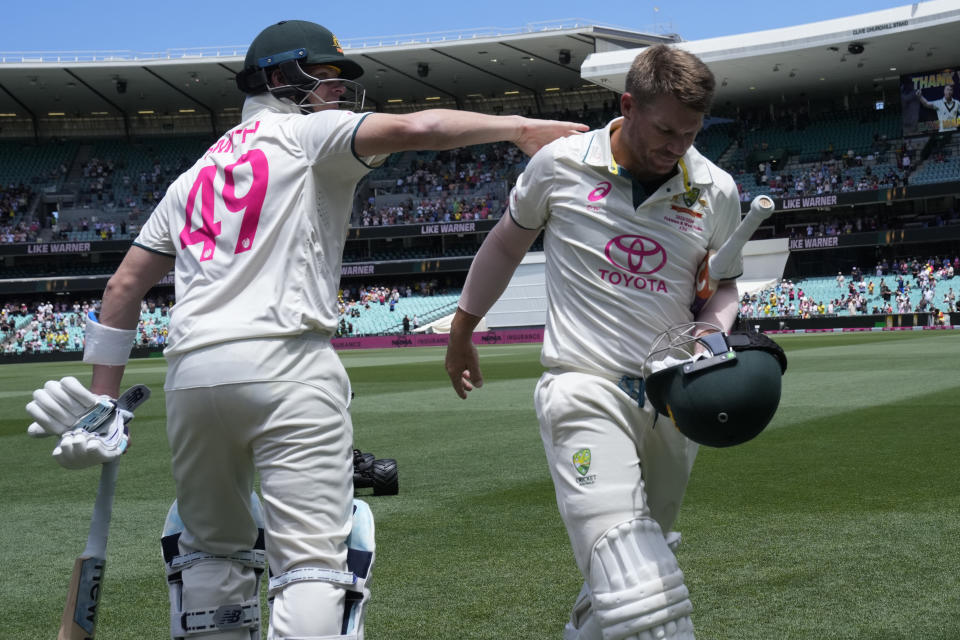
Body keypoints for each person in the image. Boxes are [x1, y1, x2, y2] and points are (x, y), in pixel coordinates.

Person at [24, 19, 585, 640]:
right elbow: (418, 127)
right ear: (278, 79)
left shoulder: (191, 176)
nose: (337, 88)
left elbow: (121, 289)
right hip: (288, 364)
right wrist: (521, 128)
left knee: (211, 553)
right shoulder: (307, 133)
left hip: (192, 377)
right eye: (325, 75)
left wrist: (105, 403)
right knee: (316, 565)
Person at [444, 44, 744, 639]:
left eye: (690, 133)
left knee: (621, 577)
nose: (676, 146)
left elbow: (725, 287)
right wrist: (462, 330)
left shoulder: (716, 188)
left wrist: (714, 332)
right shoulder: (559, 164)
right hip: (583, 385)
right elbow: (506, 244)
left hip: (671, 400)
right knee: (639, 583)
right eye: (664, 130)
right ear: (628, 105)